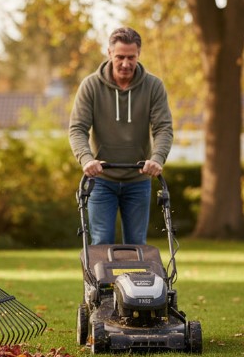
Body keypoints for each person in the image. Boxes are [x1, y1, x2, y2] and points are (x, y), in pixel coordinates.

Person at [69, 27, 173, 245]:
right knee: (101, 243)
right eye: (120, 57)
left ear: (139, 55)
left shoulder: (153, 86)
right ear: (109, 54)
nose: (125, 63)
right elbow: (77, 129)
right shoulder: (91, 86)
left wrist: (157, 159)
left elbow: (163, 128)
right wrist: (87, 160)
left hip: (138, 180)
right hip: (101, 180)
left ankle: (134, 280)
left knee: (137, 246)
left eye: (131, 57)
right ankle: (101, 281)